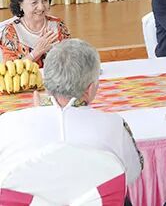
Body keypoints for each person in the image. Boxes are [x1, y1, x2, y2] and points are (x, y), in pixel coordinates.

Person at [0, 39, 142, 187]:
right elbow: (132, 174)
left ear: (46, 82)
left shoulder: (7, 123)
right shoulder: (114, 125)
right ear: (90, 89)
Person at [1, 0, 70, 65]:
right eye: (34, 2)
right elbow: (11, 69)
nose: (41, 7)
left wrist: (56, 50)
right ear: (20, 4)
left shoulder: (58, 25)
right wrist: (37, 52)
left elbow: (71, 58)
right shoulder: (11, 31)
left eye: (45, 1)